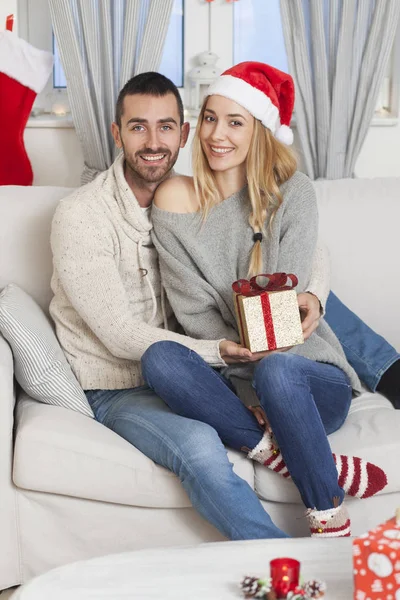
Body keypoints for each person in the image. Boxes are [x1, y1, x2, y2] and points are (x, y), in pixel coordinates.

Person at [49, 70, 397, 543]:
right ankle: (287, 559)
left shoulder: (267, 191)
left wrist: (313, 293)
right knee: (169, 375)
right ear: (117, 133)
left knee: (280, 364)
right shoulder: (92, 214)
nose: (153, 141)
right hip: (156, 377)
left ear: (182, 132)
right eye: (137, 127)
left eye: (166, 126)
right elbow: (120, 332)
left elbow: (309, 250)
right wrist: (225, 354)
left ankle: (328, 518)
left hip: (274, 370)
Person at [142, 62, 388, 538]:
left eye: (236, 122)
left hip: (309, 378)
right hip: (234, 381)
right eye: (211, 118)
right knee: (159, 359)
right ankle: (282, 453)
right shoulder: (173, 198)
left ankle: (329, 519)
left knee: (277, 368)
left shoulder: (291, 193)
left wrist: (305, 299)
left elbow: (285, 314)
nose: (217, 134)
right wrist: (238, 380)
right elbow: (193, 314)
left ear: (260, 132)